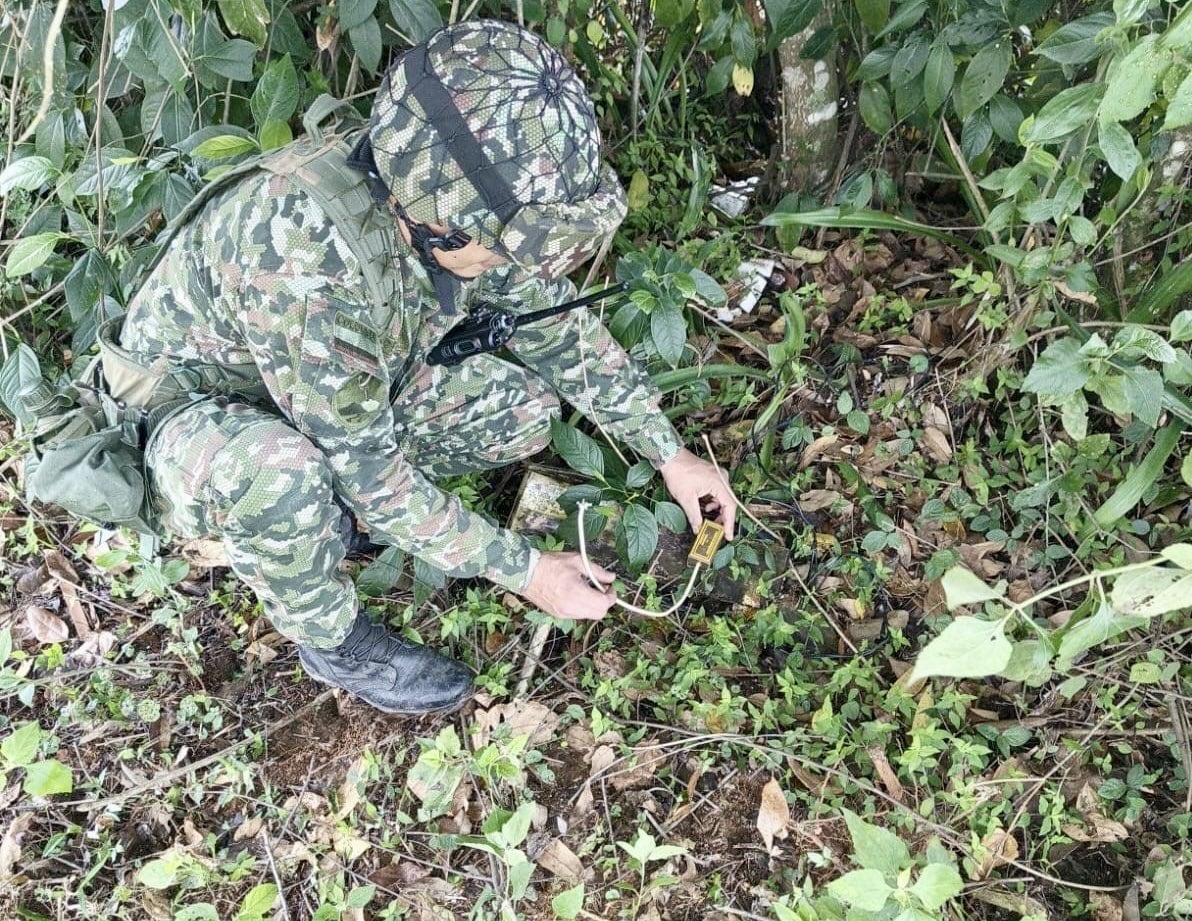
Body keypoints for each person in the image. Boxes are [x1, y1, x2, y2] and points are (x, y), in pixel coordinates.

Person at [111, 19, 737, 715]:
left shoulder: (432, 190)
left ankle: (338, 512)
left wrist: (670, 452)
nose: (508, 267)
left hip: (318, 385)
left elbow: (558, 323)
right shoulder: (309, 265)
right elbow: (377, 478)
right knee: (281, 474)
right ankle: (332, 639)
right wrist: (527, 572)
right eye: (499, 251)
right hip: (194, 426)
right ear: (445, 226)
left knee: (520, 408)